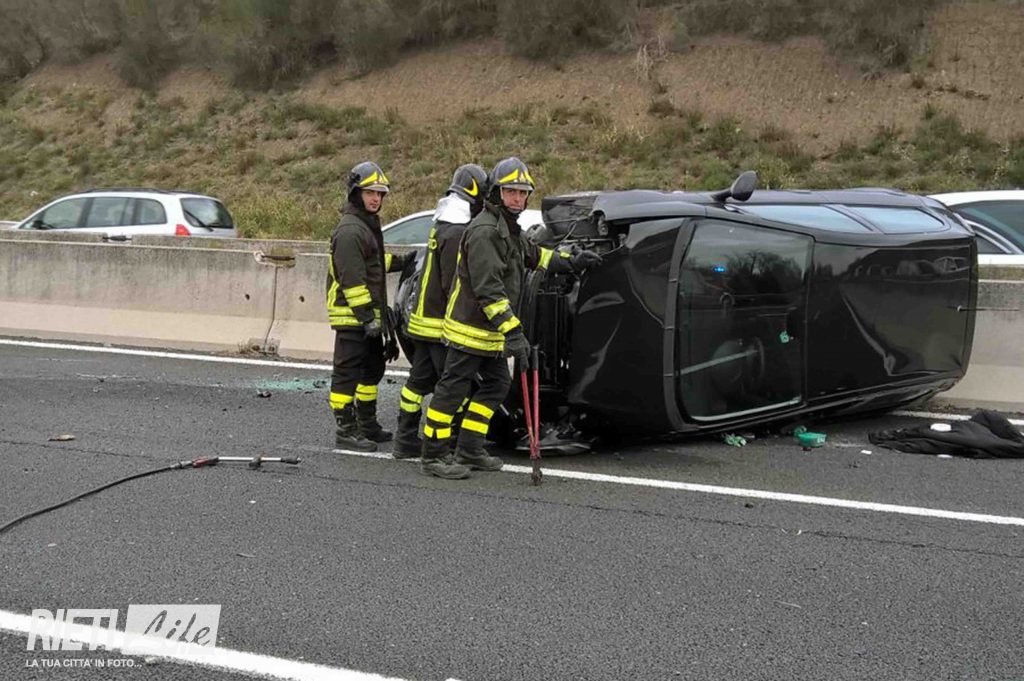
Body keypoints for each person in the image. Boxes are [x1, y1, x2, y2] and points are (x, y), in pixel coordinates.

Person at [419, 157, 603, 479]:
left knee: (497, 384)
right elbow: (488, 290)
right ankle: (433, 455)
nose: (517, 198)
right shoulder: (486, 231)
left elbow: (536, 255)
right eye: (511, 192)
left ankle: (469, 448)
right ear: (496, 193)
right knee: (452, 391)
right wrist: (514, 333)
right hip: (469, 329)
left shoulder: (508, 228)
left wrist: (573, 262)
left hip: (489, 332)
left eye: (522, 192)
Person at [393, 163, 489, 459]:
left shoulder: (443, 224)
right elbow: (453, 283)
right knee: (452, 386)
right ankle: (446, 443)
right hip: (438, 323)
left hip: (423, 319)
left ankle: (405, 439)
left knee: (418, 381)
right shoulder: (458, 232)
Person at [327, 161, 412, 452]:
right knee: (347, 374)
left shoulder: (365, 225)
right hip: (352, 316)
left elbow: (372, 263)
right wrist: (367, 319)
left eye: (380, 193)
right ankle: (346, 430)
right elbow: (352, 279)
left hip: (368, 316)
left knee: (372, 370)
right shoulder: (350, 230)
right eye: (370, 192)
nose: (376, 198)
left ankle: (367, 424)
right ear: (356, 193)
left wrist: (401, 262)